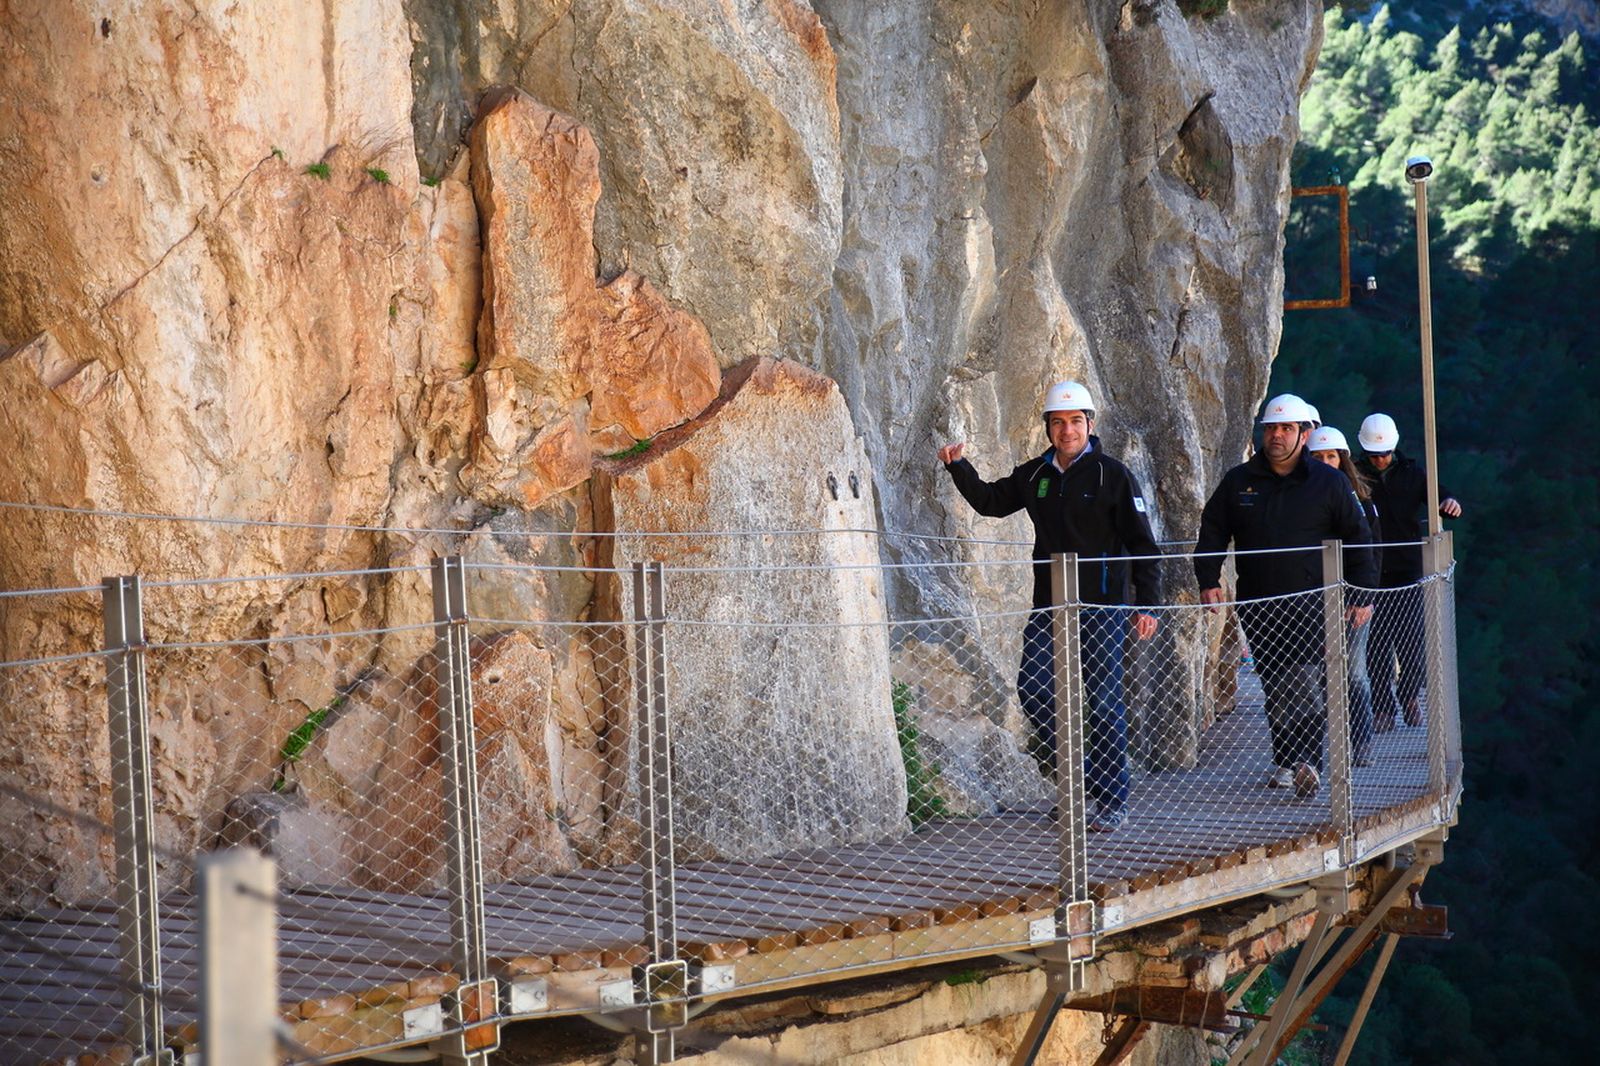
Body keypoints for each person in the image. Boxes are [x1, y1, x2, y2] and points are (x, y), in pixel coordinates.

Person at [938, 381, 1161, 832]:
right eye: (1058, 423)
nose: (1067, 430)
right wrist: (958, 467)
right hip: (1050, 606)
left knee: (1101, 701)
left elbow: (1143, 544)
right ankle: (1080, 782)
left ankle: (1111, 799)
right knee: (1035, 690)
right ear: (1048, 428)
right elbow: (991, 503)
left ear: (1090, 425)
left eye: (1075, 422)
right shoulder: (1035, 475)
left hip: (1102, 605)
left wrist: (1148, 605)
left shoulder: (1111, 475)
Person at [1195, 395, 1378, 799]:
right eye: (1271, 428)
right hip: (1259, 603)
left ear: (1304, 434)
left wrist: (1362, 593)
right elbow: (1213, 529)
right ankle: (1286, 759)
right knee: (1276, 685)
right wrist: (1208, 579)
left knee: (1308, 680)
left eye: (1286, 429)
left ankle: (1308, 761)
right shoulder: (1239, 481)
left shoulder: (1329, 482)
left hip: (1314, 603)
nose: (1277, 436)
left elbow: (1358, 538)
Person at [1354, 413, 1463, 731]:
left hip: (1407, 571)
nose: (1379, 460)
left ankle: (1409, 696)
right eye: (1373, 455)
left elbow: (1441, 494)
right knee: (1374, 646)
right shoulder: (1356, 476)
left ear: (1393, 448)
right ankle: (1384, 709)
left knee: (1412, 643)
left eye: (1384, 454)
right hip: (1371, 573)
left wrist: (1449, 502)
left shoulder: (1413, 474)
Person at [1308, 425, 1380, 767]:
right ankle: (1323, 749)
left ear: (1343, 459)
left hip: (1352, 599)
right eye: (1318, 457)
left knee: (1352, 671)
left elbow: (1372, 553)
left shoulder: (1362, 502)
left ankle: (1361, 743)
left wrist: (1365, 597)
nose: (1325, 462)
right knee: (1317, 674)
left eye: (1331, 456)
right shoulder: (1300, 499)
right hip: (1311, 598)